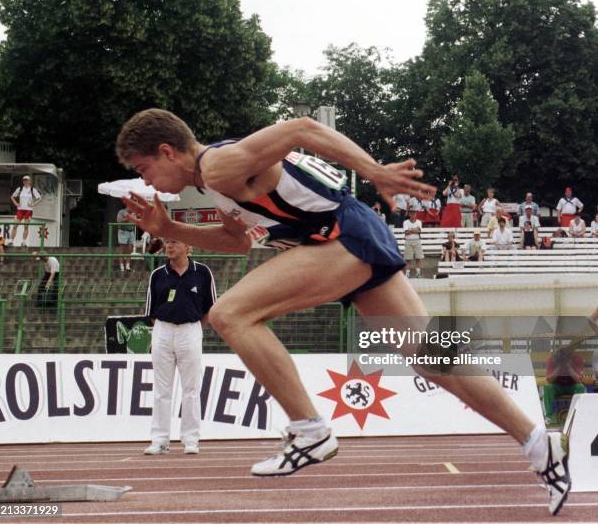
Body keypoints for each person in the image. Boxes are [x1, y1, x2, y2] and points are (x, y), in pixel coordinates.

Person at [116, 109, 570, 513]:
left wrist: (375, 171)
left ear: (167, 151)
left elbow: (302, 128)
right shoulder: (215, 184)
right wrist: (169, 227)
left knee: (230, 314)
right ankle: (538, 443)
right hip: (351, 236)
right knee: (432, 358)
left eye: (144, 169)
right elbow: (237, 243)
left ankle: (310, 428)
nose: (147, 181)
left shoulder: (217, 165)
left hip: (343, 236)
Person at [144, 239, 216, 455]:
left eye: (174, 242)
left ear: (188, 247)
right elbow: (150, 310)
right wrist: (164, 329)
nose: (169, 246)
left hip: (191, 330)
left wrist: (195, 328)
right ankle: (159, 440)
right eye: (167, 242)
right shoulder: (157, 274)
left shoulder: (202, 272)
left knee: (191, 389)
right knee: (161, 389)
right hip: (163, 330)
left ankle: (191, 439)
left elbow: (211, 308)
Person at [544, 347, 586, 425]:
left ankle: (577, 414)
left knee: (581, 387)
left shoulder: (577, 359)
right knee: (548, 388)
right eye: (562, 351)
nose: (564, 354)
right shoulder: (552, 359)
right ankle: (548, 416)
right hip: (557, 386)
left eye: (567, 351)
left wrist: (569, 367)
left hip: (573, 385)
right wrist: (559, 367)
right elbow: (549, 380)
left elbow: (579, 380)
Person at [10, 175, 42, 247]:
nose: (25, 181)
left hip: (28, 210)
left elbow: (39, 198)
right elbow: (12, 197)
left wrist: (33, 204)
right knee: (15, 226)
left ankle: (23, 242)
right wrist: (16, 203)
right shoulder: (20, 189)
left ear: (30, 181)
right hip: (20, 210)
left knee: (26, 226)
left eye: (27, 180)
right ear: (23, 181)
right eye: (24, 180)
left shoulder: (32, 189)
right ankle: (11, 241)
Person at [402, 209, 423, 278]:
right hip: (408, 241)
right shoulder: (405, 222)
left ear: (415, 214)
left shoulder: (419, 222)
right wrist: (414, 229)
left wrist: (410, 230)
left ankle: (418, 273)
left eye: (414, 213)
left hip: (417, 240)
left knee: (418, 258)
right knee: (408, 259)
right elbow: (406, 232)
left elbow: (419, 231)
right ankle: (407, 274)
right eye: (411, 213)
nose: (413, 215)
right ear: (409, 214)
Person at [117, 206, 135, 272]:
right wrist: (129, 217)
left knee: (130, 249)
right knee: (122, 249)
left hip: (131, 231)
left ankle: (128, 266)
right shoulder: (121, 212)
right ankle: (121, 267)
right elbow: (119, 221)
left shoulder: (134, 212)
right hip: (123, 231)